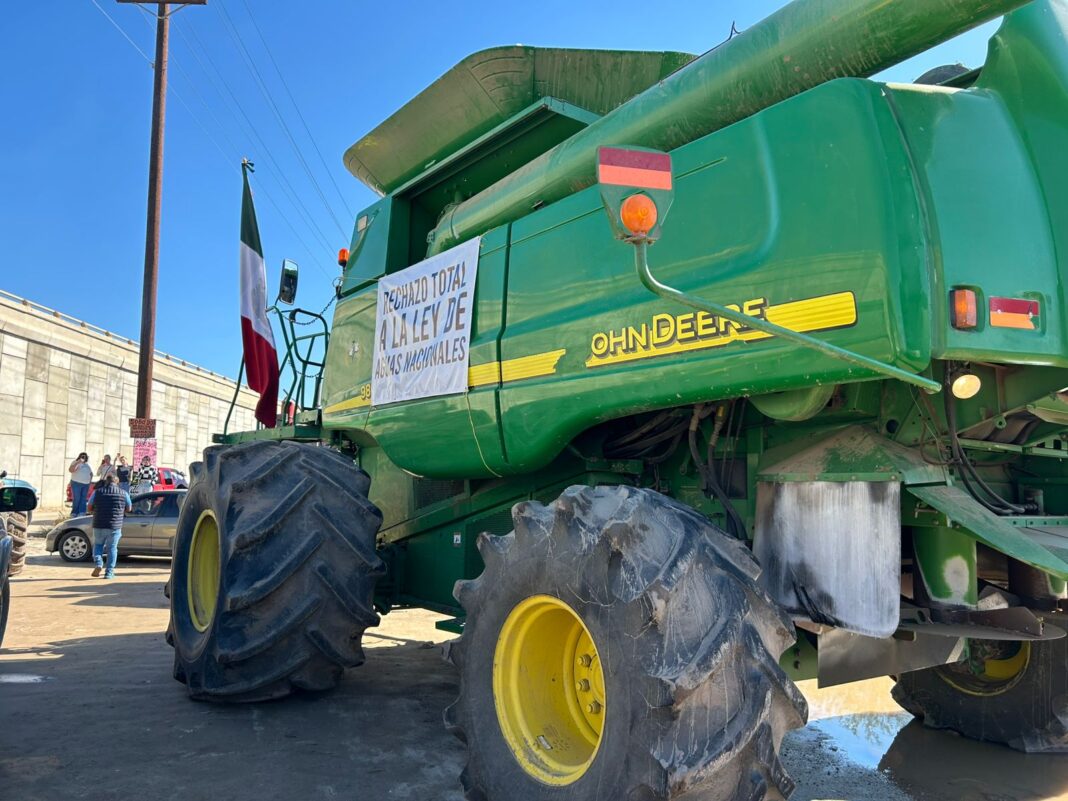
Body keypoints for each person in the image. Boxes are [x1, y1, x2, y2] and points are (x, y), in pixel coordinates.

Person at [87, 474, 132, 579]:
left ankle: (98, 563)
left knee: (98, 545)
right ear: (117, 483)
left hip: (99, 524)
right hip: (115, 525)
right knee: (112, 548)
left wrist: (93, 511)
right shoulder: (123, 493)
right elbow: (129, 508)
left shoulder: (97, 492)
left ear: (106, 482)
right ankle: (109, 573)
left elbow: (89, 506)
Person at [68, 452, 93, 516]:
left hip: (86, 484)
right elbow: (71, 470)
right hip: (76, 483)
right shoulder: (75, 462)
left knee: (83, 498)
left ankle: (81, 512)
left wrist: (90, 481)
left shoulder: (87, 465)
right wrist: (78, 462)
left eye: (85, 457)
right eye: (82, 456)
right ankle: (74, 512)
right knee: (77, 498)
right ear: (79, 456)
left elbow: (91, 473)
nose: (83, 458)